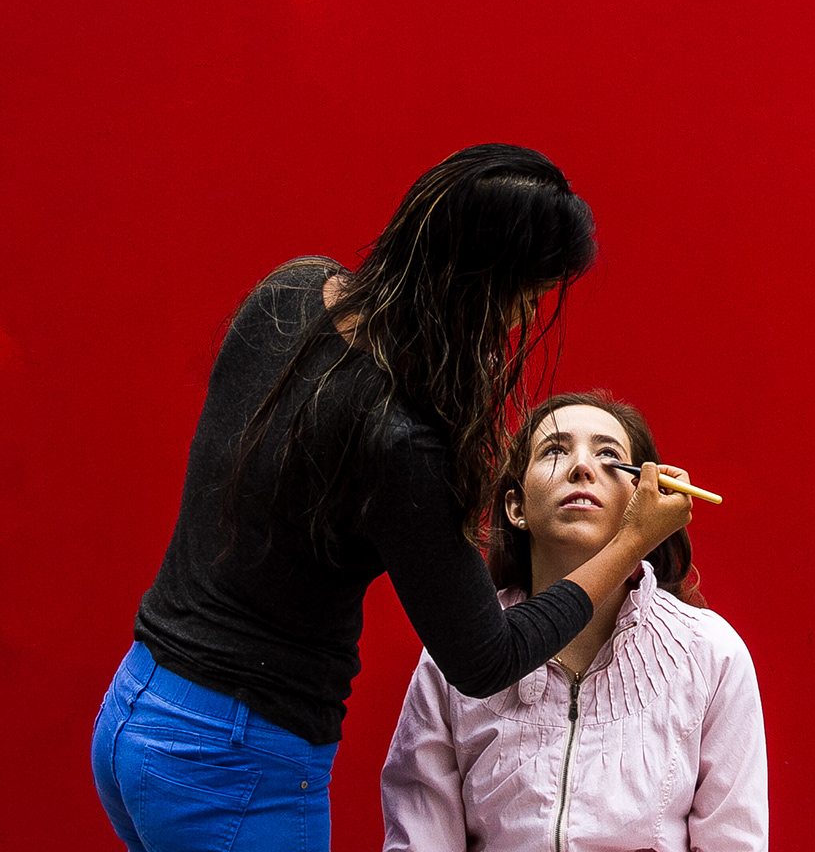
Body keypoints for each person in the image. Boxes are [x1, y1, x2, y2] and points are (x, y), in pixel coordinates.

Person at [91, 145, 696, 851]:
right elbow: (485, 659)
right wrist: (632, 542)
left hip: (135, 711)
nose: (522, 320)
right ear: (479, 285)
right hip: (231, 765)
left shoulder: (291, 291)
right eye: (525, 296)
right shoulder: (398, 441)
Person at [382, 392, 768, 852]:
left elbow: (733, 839)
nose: (582, 467)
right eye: (555, 451)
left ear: (645, 499)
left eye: (609, 455)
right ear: (516, 507)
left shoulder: (710, 654)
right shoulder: (457, 654)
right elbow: (420, 839)